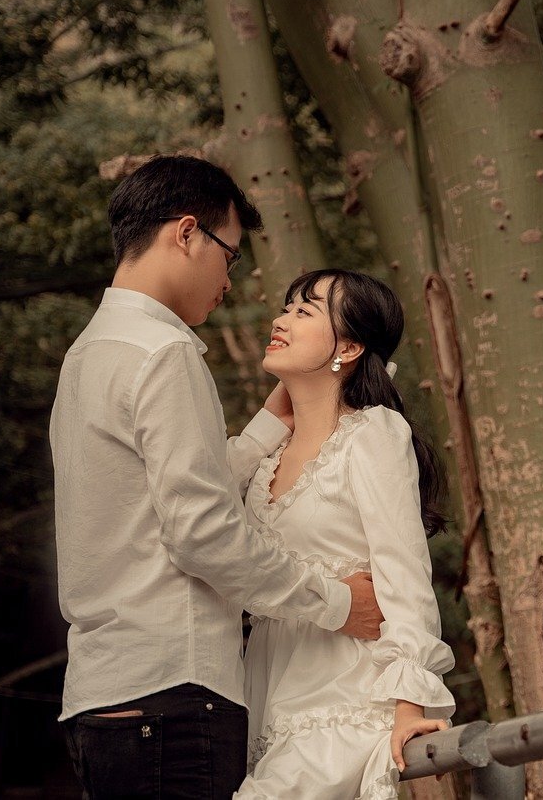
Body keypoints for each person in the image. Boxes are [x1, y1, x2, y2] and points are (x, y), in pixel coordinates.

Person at [51, 156, 383, 800]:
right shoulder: (165, 353)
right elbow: (203, 535)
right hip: (173, 702)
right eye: (230, 256)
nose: (232, 281)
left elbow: (155, 504)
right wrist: (339, 603)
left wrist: (264, 427)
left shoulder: (88, 355)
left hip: (102, 699)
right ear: (186, 234)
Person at [236, 269, 455, 799]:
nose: (281, 320)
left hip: (345, 698)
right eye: (286, 307)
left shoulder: (373, 434)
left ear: (350, 345)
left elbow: (404, 576)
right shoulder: (261, 462)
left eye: (304, 310)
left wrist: (409, 706)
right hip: (263, 699)